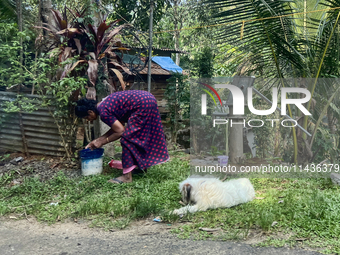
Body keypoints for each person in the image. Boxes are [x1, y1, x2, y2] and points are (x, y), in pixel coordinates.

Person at [75, 90, 169, 184]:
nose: (88, 120)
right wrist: (98, 140)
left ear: (90, 112)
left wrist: (102, 142)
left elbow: (120, 131)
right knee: (140, 137)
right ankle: (140, 168)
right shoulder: (104, 105)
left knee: (127, 139)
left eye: (86, 118)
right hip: (148, 99)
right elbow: (116, 128)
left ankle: (127, 177)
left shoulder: (103, 112)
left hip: (142, 104)